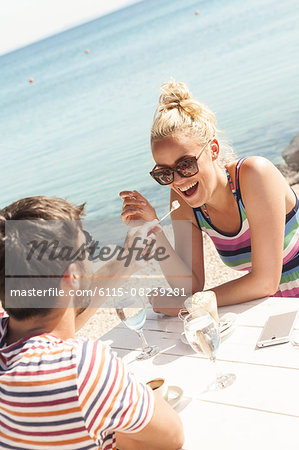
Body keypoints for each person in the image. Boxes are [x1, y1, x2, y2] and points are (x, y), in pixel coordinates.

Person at [0, 196, 184, 450]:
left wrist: (124, 262)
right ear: (73, 275)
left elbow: (53, 322)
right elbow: (170, 437)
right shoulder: (81, 366)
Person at [120, 79, 299, 314]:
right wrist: (154, 230)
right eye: (165, 173)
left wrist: (189, 306)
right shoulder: (184, 202)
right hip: (273, 311)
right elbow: (190, 285)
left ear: (213, 150)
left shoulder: (255, 175)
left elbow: (265, 282)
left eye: (185, 164)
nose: (178, 180)